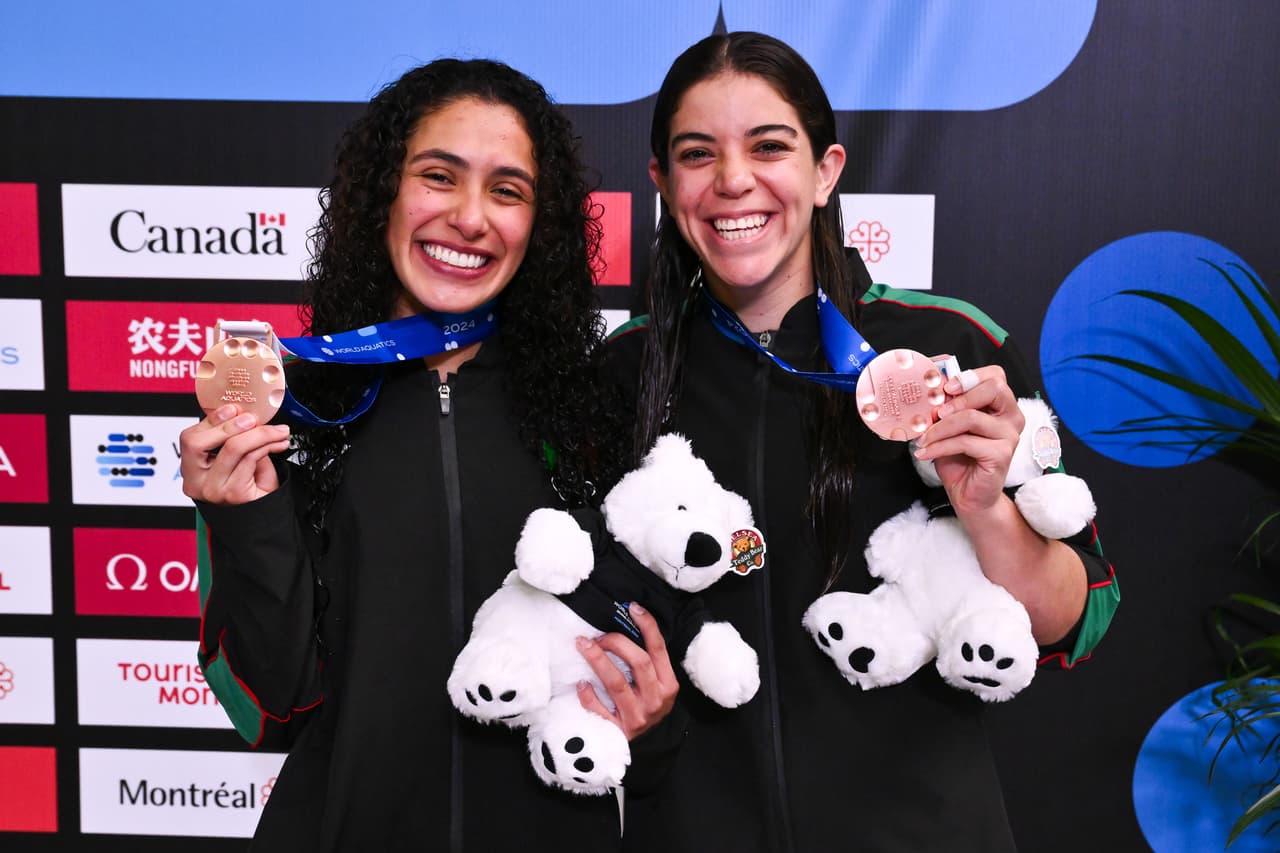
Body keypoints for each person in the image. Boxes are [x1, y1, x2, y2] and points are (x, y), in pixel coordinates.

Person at [606, 32, 1120, 852]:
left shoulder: (946, 345)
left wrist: (987, 509)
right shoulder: (624, 367)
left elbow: (1079, 617)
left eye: (769, 146)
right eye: (697, 153)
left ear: (826, 170)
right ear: (663, 184)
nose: (734, 179)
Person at [180, 58, 677, 852]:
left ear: (539, 225)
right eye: (439, 177)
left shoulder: (595, 411)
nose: (471, 217)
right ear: (384, 194)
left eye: (508, 190)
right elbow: (271, 703)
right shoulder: (288, 411)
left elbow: (643, 667)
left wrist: (650, 718)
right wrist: (245, 519)